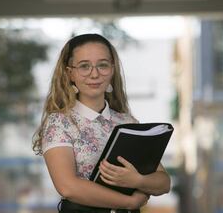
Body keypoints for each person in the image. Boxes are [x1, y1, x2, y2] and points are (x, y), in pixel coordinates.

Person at [33, 33, 171, 213]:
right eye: (84, 66)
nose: (95, 74)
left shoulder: (127, 122)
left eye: (103, 65)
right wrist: (129, 203)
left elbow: (164, 182)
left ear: (112, 69)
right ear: (70, 73)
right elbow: (68, 187)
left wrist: (137, 181)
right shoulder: (59, 123)